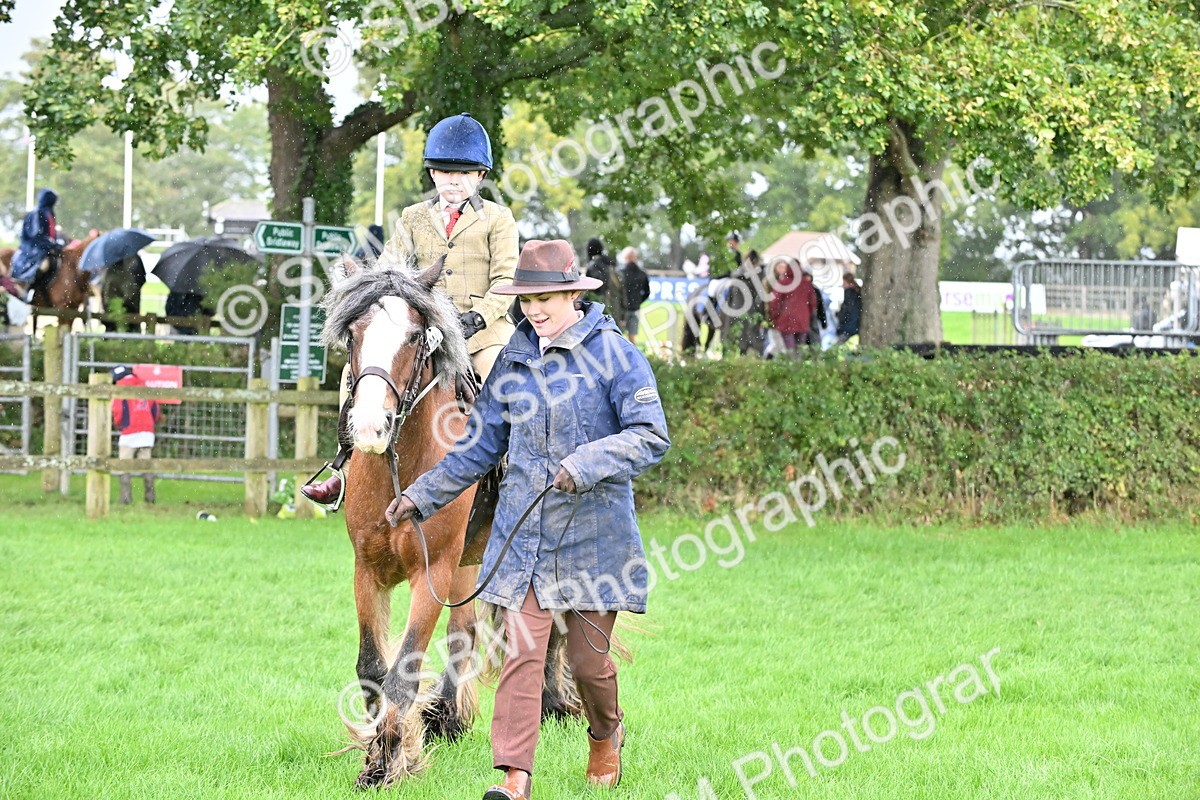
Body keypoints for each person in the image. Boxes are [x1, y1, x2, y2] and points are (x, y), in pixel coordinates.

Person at [386, 239, 670, 800]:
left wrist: (586, 462)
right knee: (520, 654)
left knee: (589, 665)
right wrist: (420, 495)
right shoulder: (515, 355)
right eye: (527, 300)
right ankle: (515, 779)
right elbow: (478, 446)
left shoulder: (614, 354)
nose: (535, 310)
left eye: (545, 299)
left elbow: (651, 435)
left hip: (595, 538)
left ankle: (605, 734)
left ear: (572, 293)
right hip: (526, 541)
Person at [302, 112, 518, 508]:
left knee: (497, 383)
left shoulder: (498, 220)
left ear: (481, 177)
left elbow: (506, 281)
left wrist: (478, 317)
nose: (454, 181)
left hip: (482, 333)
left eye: (464, 173)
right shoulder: (412, 218)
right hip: (426, 332)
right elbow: (387, 273)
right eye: (444, 172)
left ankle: (511, 470)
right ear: (432, 175)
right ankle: (345, 465)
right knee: (356, 374)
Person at [110, 365, 159, 505]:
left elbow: (118, 409)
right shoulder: (145, 386)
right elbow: (154, 408)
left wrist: (120, 423)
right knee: (145, 462)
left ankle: (125, 498)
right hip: (147, 429)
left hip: (129, 429)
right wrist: (151, 423)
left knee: (124, 462)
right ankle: (150, 496)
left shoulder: (120, 388)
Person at [3, 189, 62, 299]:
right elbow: (36, 235)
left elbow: (50, 234)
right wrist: (52, 245)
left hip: (45, 247)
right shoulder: (37, 213)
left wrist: (56, 244)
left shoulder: (48, 212)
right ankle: (29, 290)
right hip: (33, 248)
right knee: (44, 265)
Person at [768, 258, 817, 354]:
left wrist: (775, 317)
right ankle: (798, 367)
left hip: (786, 321)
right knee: (799, 350)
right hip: (802, 321)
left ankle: (791, 367)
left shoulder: (783, 283)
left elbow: (775, 302)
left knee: (789, 350)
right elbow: (812, 303)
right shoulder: (806, 284)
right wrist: (807, 316)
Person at [584, 238, 624, 326]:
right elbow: (622, 291)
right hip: (614, 307)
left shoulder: (592, 266)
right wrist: (623, 313)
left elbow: (590, 291)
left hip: (598, 308)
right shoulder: (611, 265)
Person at [617, 246, 650, 344]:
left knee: (619, 336)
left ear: (625, 258)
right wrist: (638, 301)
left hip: (622, 309)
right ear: (635, 257)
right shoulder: (642, 274)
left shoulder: (620, 273)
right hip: (635, 308)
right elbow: (647, 292)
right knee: (632, 338)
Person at [837, 271, 862, 343]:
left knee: (838, 344)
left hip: (848, 326)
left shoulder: (849, 293)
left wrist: (840, 317)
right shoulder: (856, 292)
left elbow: (846, 310)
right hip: (854, 324)